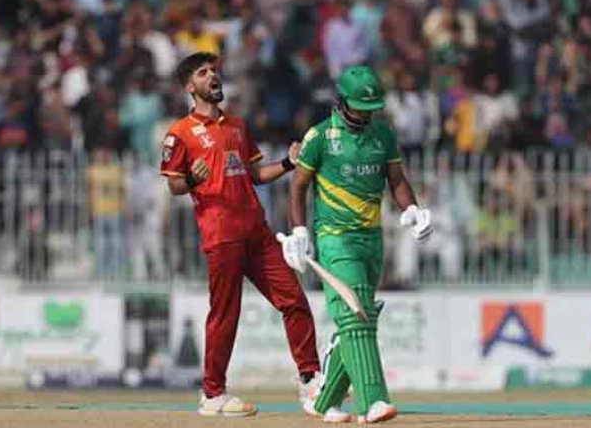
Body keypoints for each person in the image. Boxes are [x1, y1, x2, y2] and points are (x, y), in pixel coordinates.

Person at [160, 52, 320, 417]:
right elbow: (175, 187)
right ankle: (213, 394)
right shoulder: (180, 132)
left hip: (257, 232)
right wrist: (193, 179)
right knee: (225, 313)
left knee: (294, 299)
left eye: (214, 70)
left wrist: (289, 162)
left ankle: (311, 382)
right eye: (203, 73)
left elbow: (255, 175)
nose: (212, 75)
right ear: (190, 87)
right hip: (221, 234)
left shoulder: (237, 126)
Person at [280, 65, 432, 424]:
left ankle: (323, 402)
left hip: (372, 239)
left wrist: (411, 208)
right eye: (360, 107)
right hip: (335, 239)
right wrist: (300, 231)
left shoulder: (383, 134)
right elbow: (299, 186)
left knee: (361, 319)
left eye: (372, 107)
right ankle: (373, 402)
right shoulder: (320, 136)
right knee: (356, 316)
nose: (366, 113)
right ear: (341, 101)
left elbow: (396, 180)